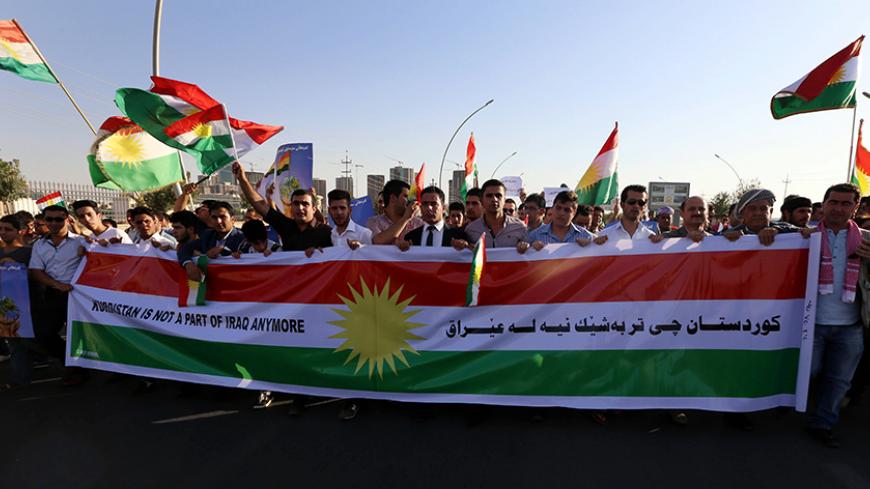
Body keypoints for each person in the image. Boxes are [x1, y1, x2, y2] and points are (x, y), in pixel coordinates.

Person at [806, 183, 870, 447]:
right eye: (833, 202)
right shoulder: (804, 235)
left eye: (845, 203)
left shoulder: (867, 239)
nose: (838, 208)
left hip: (850, 325)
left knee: (839, 381)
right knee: (809, 372)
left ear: (855, 208)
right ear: (823, 205)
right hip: (810, 323)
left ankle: (823, 423)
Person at [27, 205, 87, 385]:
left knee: (79, 335)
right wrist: (57, 285)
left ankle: (78, 370)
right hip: (54, 294)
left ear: (67, 219)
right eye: (49, 219)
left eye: (58, 219)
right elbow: (36, 271)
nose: (54, 223)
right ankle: (72, 365)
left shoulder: (82, 242)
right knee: (44, 334)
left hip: (79, 296)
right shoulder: (39, 245)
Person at [234, 161, 331, 254]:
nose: (300, 208)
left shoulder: (327, 233)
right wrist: (242, 179)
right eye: (296, 204)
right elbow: (260, 205)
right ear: (291, 206)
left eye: (305, 204)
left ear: (314, 208)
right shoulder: (286, 226)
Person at [0, 214, 41, 390]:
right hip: (6, 305)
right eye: (0, 229)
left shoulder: (29, 252)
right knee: (14, 342)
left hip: (29, 305)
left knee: (33, 341)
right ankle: (20, 378)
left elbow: (38, 275)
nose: (3, 233)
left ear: (20, 231)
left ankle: (63, 362)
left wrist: (18, 267)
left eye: (8, 229)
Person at [177, 201, 246, 281]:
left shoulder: (242, 237)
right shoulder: (207, 235)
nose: (218, 221)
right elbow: (184, 248)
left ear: (233, 219)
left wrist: (224, 250)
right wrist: (188, 264)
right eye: (214, 217)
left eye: (222, 217)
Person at [517, 190, 594, 253]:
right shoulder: (533, 236)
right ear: (552, 208)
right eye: (558, 208)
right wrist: (525, 248)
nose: (561, 213)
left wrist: (593, 245)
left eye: (567, 210)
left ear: (574, 213)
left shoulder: (587, 237)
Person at [723, 189, 800, 246]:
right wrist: (723, 239)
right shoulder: (732, 233)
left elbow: (804, 231)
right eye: (752, 209)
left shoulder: (784, 229)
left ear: (771, 212)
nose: (758, 213)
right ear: (742, 213)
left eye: (763, 209)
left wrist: (777, 230)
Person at [464, 179, 528, 248]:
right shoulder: (471, 230)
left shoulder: (520, 227)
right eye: (489, 196)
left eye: (498, 196)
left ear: (504, 200)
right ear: (482, 200)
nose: (494, 199)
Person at [399, 186, 468, 249]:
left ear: (443, 208)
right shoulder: (411, 237)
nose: (429, 208)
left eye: (434, 204)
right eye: (425, 204)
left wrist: (465, 246)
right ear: (420, 207)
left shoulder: (459, 237)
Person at [369, 180, 424, 245]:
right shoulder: (374, 222)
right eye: (406, 196)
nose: (409, 201)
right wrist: (405, 218)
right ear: (393, 198)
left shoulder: (418, 223)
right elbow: (378, 241)